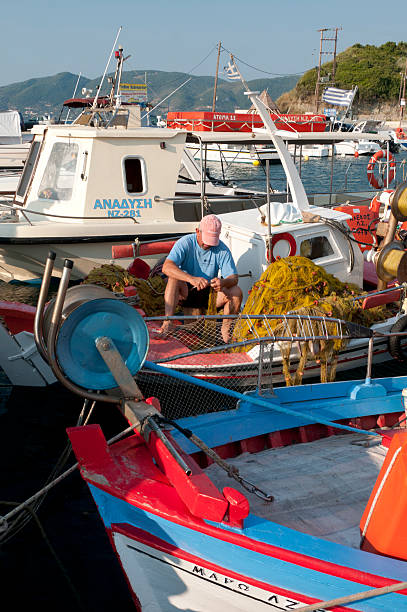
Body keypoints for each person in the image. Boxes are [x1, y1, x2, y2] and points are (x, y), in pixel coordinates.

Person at [160, 214, 242, 342]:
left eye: (212, 240)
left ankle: (225, 331)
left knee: (236, 291)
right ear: (197, 231)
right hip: (187, 291)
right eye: (206, 240)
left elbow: (234, 278)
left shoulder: (222, 249)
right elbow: (166, 267)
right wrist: (191, 279)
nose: (208, 244)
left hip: (209, 293)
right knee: (173, 278)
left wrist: (223, 282)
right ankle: (168, 322)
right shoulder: (185, 242)